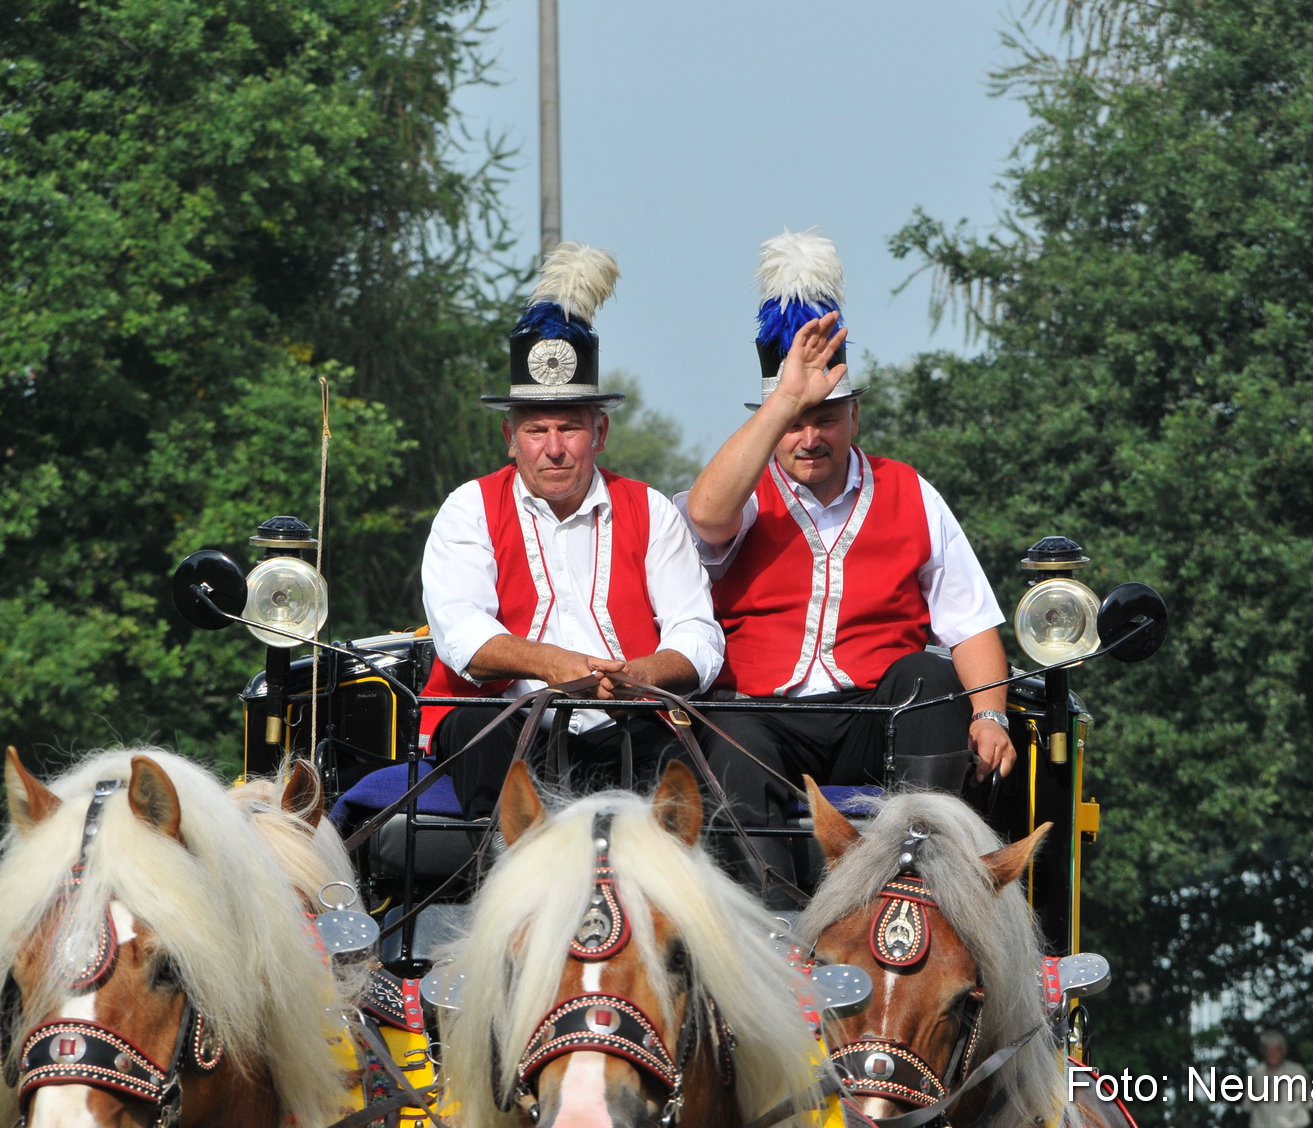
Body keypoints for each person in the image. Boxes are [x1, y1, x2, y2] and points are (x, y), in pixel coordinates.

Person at [677, 230, 1016, 886]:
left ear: (853, 416)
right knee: (727, 724)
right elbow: (705, 515)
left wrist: (991, 713)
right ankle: (767, 921)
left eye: (825, 417)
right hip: (763, 714)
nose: (809, 436)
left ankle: (920, 885)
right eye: (794, 421)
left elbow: (969, 621)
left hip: (873, 716)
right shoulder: (744, 490)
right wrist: (786, 398)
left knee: (931, 676)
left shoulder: (910, 491)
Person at [420, 242, 724, 819]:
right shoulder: (468, 508)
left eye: (570, 428)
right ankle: (505, 898)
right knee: (483, 738)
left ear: (600, 431)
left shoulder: (652, 509)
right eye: (537, 429)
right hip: (503, 719)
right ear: (509, 439)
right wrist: (555, 664)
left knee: (687, 791)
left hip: (624, 719)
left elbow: (698, 635)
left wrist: (640, 674)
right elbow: (462, 638)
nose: (554, 449)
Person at [1246, 1029, 1313, 1128]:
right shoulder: (1255, 1074)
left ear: (1283, 1051)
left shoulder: (1297, 1072)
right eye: (1268, 1050)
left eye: (1276, 1050)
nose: (1272, 1054)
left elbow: (1308, 1105)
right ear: (1263, 1052)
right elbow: (1248, 1107)